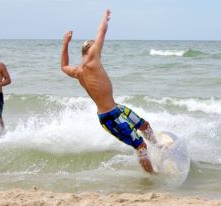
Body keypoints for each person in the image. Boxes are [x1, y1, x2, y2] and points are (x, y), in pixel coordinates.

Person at [60, 10, 157, 174]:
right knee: (140, 146)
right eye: (96, 49)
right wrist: (105, 17)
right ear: (90, 51)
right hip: (110, 118)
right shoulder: (91, 60)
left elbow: (63, 66)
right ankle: (153, 176)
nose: (99, 51)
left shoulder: (77, 71)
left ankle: (159, 146)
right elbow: (101, 32)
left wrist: (66, 43)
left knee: (144, 125)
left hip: (117, 108)